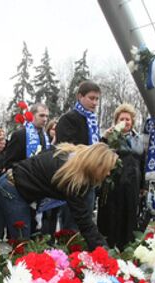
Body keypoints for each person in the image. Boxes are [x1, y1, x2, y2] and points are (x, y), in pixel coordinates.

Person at [0, 143, 117, 250]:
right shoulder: (72, 178)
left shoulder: (71, 156)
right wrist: (102, 250)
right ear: (96, 165)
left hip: (7, 182)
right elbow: (84, 220)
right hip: (13, 190)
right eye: (107, 169)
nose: (108, 173)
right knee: (22, 245)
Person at [55, 80, 102, 230]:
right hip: (73, 178)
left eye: (97, 99)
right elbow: (65, 149)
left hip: (90, 178)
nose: (95, 103)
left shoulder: (93, 121)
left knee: (86, 221)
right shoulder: (68, 119)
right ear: (79, 97)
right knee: (71, 223)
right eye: (91, 98)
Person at [98, 103, 145, 250]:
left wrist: (143, 186)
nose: (125, 122)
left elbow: (142, 162)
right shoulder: (111, 137)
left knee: (130, 213)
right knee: (113, 214)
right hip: (114, 183)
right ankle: (110, 244)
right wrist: (105, 139)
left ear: (132, 122)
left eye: (128, 119)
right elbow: (99, 154)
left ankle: (127, 246)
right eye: (122, 119)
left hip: (133, 183)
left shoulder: (138, 139)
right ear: (116, 121)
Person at [2, 103, 51, 169]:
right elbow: (9, 163)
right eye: (41, 115)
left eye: (47, 116)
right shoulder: (19, 135)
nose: (45, 119)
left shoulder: (46, 137)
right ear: (32, 116)